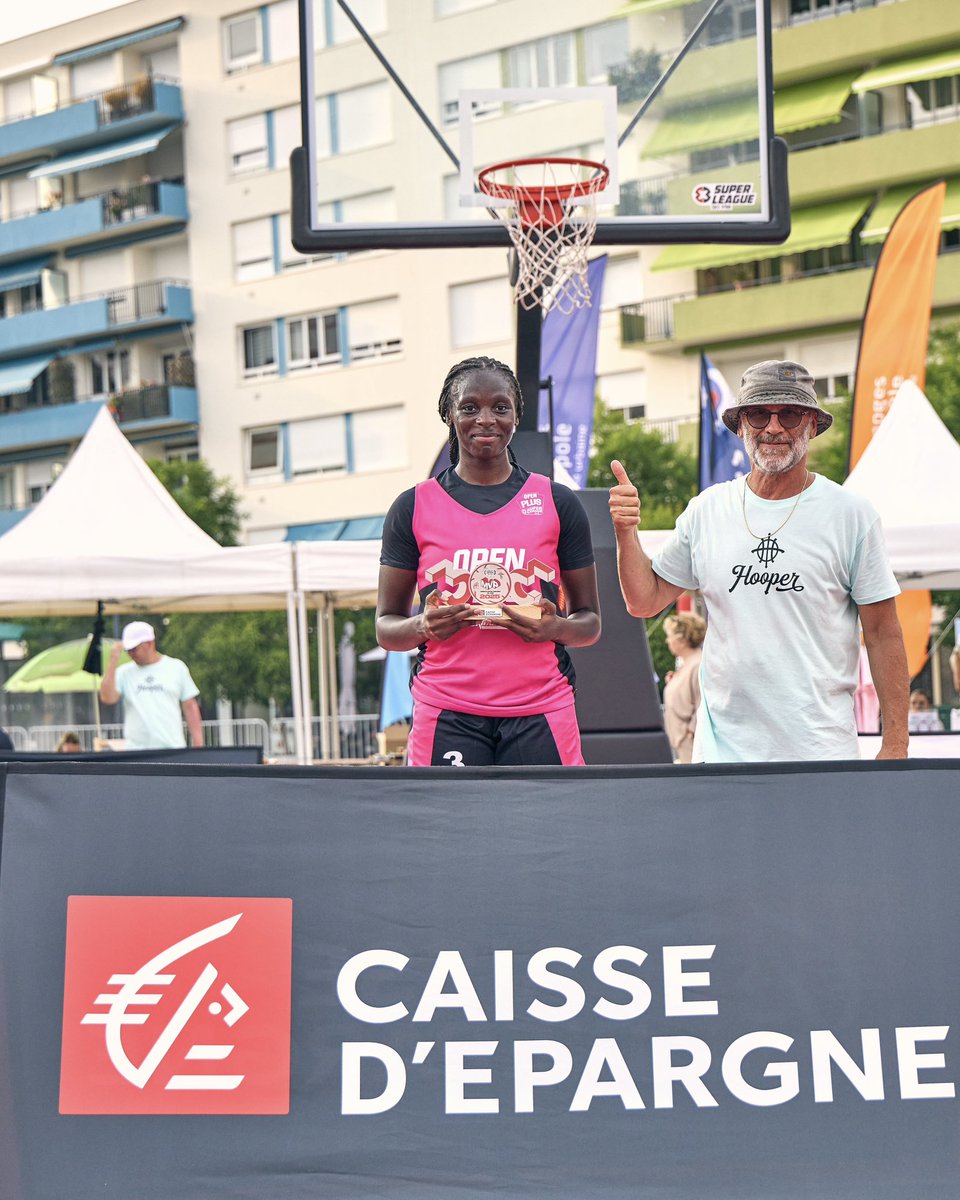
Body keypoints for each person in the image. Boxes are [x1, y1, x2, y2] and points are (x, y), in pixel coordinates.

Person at [609, 359, 909, 762]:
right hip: (721, 756)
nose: (773, 428)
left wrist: (895, 744)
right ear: (740, 426)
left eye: (790, 414)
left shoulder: (850, 514)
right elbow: (643, 601)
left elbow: (883, 633)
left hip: (818, 753)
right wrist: (626, 533)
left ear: (813, 425)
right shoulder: (707, 510)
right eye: (757, 414)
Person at [376, 356, 601, 766]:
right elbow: (387, 628)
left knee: (549, 830)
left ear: (516, 415)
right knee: (446, 830)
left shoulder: (556, 502)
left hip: (541, 708)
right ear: (449, 413)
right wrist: (422, 625)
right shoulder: (412, 506)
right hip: (446, 708)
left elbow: (590, 624)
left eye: (500, 407)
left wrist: (555, 627)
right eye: (469, 407)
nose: (486, 419)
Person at [99, 620, 203, 750]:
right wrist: (113, 660)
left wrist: (199, 745)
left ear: (149, 643)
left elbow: (190, 706)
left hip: (172, 748)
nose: (131, 654)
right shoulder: (124, 672)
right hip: (136, 751)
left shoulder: (176, 667)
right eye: (128, 650)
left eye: (134, 649)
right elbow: (107, 698)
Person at [662, 612, 706, 763]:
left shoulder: (697, 664)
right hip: (683, 740)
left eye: (670, 636)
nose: (667, 641)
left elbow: (702, 698)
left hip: (690, 740)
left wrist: (691, 730)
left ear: (682, 639)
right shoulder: (688, 665)